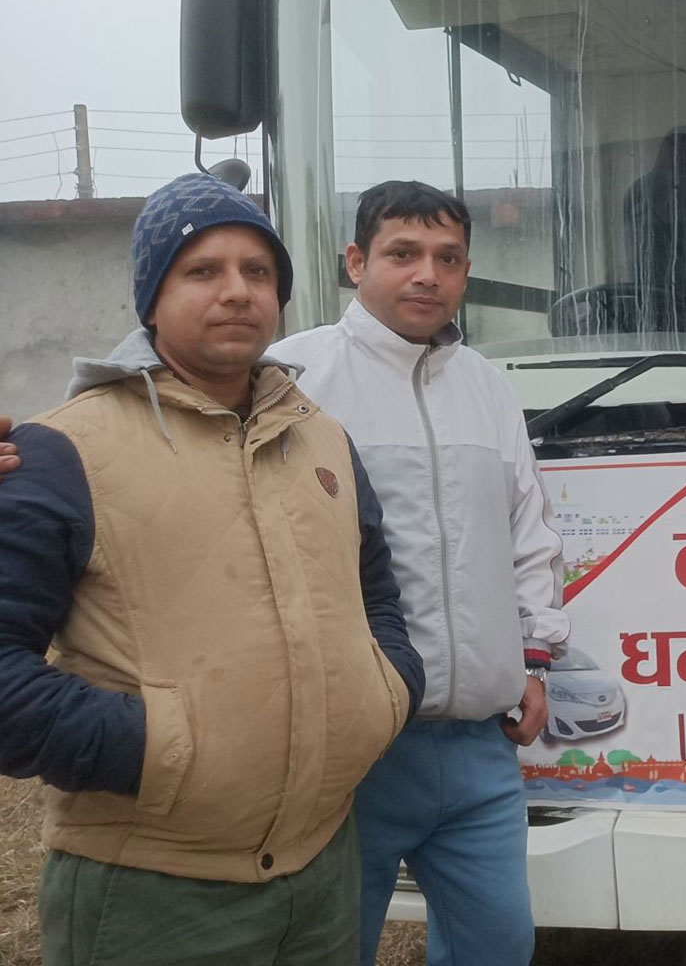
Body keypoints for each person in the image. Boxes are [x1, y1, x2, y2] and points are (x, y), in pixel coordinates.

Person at [0, 173, 423, 966]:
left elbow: (376, 594)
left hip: (323, 869)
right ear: (151, 299)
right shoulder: (62, 451)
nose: (237, 291)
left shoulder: (323, 438)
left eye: (257, 271)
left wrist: (386, 690)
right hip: (154, 892)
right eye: (203, 270)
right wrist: (155, 748)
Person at [271, 180, 568, 966]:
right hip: (353, 752)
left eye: (448, 258)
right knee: (333, 950)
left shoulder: (488, 386)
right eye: (402, 253)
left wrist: (535, 660)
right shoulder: (289, 378)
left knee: (497, 946)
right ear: (356, 261)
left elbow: (530, 536)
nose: (427, 275)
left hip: (479, 749)